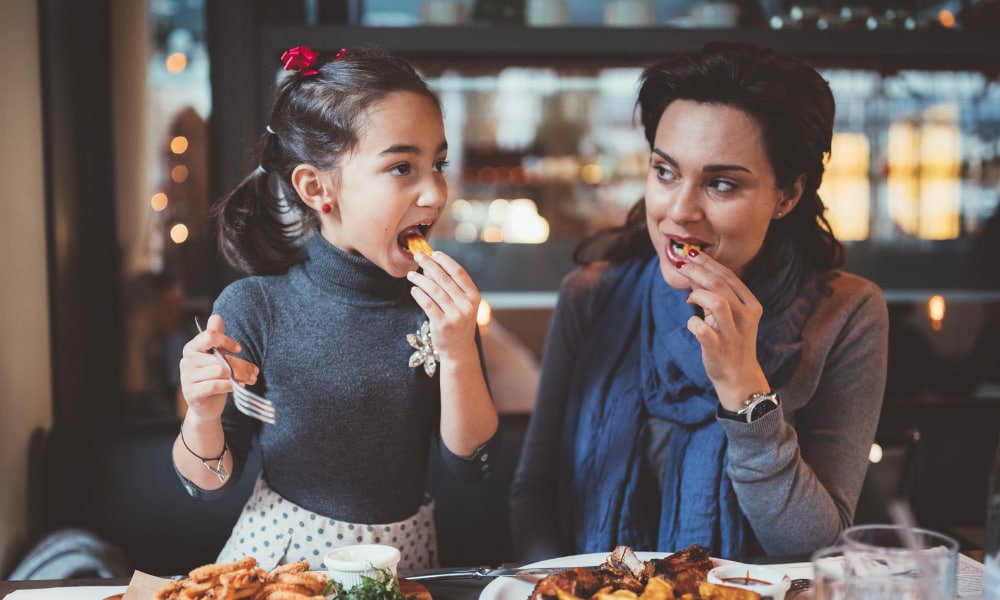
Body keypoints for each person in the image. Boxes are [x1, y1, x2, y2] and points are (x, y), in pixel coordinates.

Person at [510, 43, 889, 561]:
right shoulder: (593, 295)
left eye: (722, 184)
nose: (679, 212)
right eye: (665, 172)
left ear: (787, 195)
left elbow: (815, 548)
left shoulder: (847, 313)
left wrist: (744, 387)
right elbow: (534, 491)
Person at [171, 46, 499, 571]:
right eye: (401, 167)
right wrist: (203, 415)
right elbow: (206, 486)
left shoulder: (440, 309)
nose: (435, 192)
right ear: (317, 188)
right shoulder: (257, 308)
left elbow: (471, 466)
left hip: (403, 562)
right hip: (286, 566)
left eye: (438, 164)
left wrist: (459, 353)